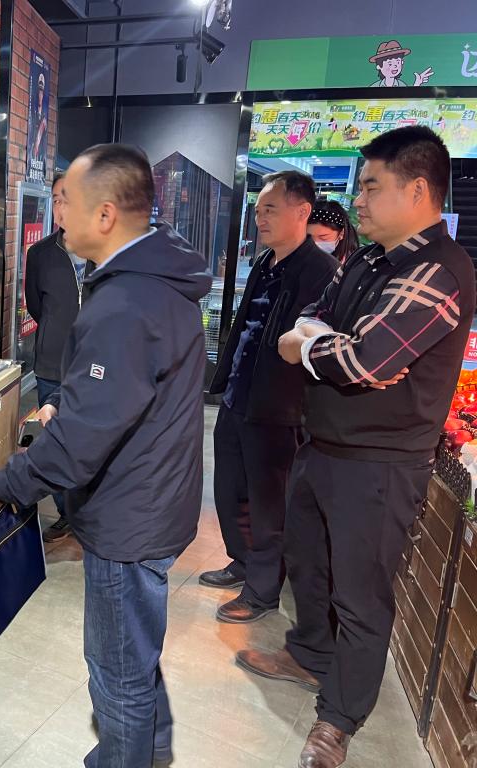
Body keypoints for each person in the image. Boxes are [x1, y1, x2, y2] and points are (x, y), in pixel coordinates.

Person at [0, 144, 210, 768]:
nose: (57, 213)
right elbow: (127, 393)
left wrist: (1, 484)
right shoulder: (156, 282)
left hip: (129, 515)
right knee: (134, 653)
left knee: (117, 672)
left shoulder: (126, 302)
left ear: (106, 214)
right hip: (156, 497)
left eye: (65, 200)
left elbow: (82, 442)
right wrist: (70, 404)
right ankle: (149, 749)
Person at [238, 126, 475, 768]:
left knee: (361, 594)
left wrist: (320, 348)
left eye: (371, 186)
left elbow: (366, 360)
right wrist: (324, 345)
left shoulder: (440, 269)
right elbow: (315, 324)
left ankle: (339, 719)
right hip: (323, 445)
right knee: (308, 564)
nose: (357, 200)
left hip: (380, 464)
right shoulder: (370, 260)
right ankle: (310, 654)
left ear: (418, 190)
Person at [200, 172, 337, 623]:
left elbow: (313, 345)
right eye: (258, 210)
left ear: (302, 211)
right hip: (238, 396)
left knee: (268, 503)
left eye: (270, 209)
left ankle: (261, 592)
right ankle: (241, 562)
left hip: (279, 408)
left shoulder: (320, 272)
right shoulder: (264, 261)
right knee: (230, 489)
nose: (260, 218)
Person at [24, 171, 91, 542]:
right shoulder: (40, 254)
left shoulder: (103, 254)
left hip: (94, 366)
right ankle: (68, 514)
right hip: (52, 363)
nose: (61, 208)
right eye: (56, 200)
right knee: (54, 443)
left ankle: (90, 513)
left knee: (89, 443)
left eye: (68, 199)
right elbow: (36, 306)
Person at [307, 199, 359, 264]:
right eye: (308, 237)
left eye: (323, 237)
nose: (314, 244)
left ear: (341, 233)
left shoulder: (351, 264)